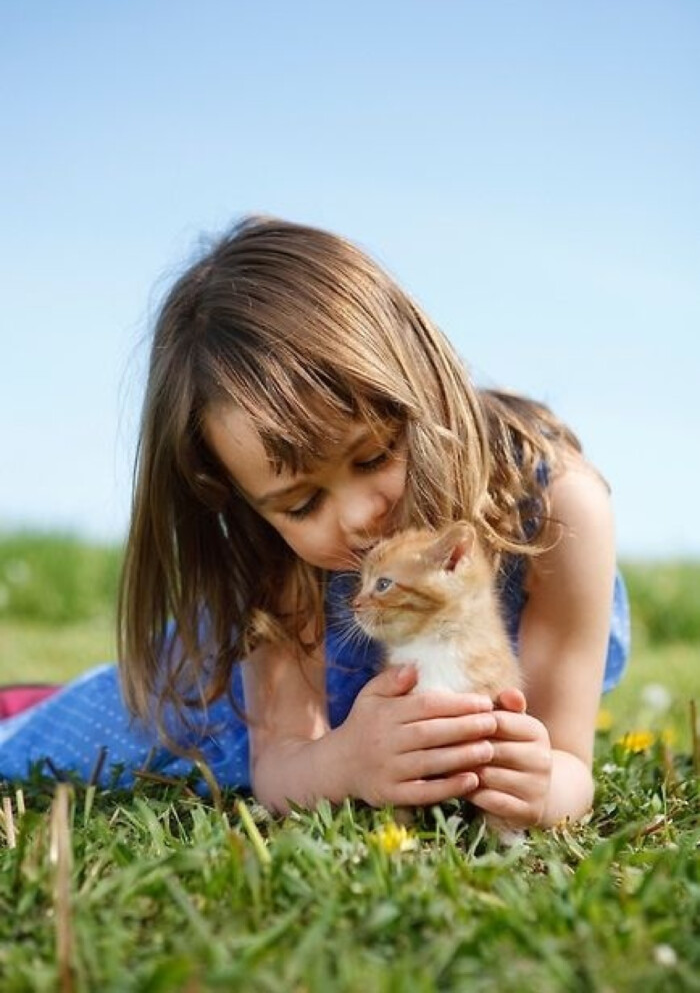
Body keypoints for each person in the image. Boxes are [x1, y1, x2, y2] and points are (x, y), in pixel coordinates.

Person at [0, 216, 629, 828]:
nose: (359, 518)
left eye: (376, 454)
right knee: (53, 740)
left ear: (425, 380)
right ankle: (25, 704)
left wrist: (542, 785)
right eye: (301, 505)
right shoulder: (278, 563)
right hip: (220, 704)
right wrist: (345, 762)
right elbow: (278, 766)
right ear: (248, 503)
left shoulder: (557, 511)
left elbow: (568, 760)